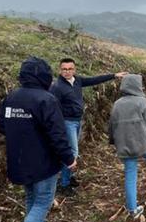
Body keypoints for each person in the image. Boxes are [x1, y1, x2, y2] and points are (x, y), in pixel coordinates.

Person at [0, 57, 76, 222]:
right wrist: (69, 158)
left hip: (19, 160)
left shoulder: (11, 98)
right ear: (45, 76)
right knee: (42, 201)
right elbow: (57, 135)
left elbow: (1, 127)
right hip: (43, 162)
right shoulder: (46, 100)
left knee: (32, 198)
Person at [49, 57, 126, 196]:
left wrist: (113, 75)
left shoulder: (77, 81)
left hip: (78, 121)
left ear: (74, 69)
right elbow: (54, 107)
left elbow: (94, 80)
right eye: (64, 69)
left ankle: (69, 178)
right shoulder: (57, 87)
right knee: (72, 152)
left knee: (72, 151)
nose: (67, 72)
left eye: (70, 69)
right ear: (60, 70)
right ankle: (64, 184)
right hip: (67, 122)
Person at [108, 74, 146, 218]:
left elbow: (111, 126)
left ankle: (132, 209)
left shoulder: (117, 104)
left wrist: (113, 141)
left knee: (130, 174)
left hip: (124, 144)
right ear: (137, 86)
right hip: (142, 143)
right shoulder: (142, 102)